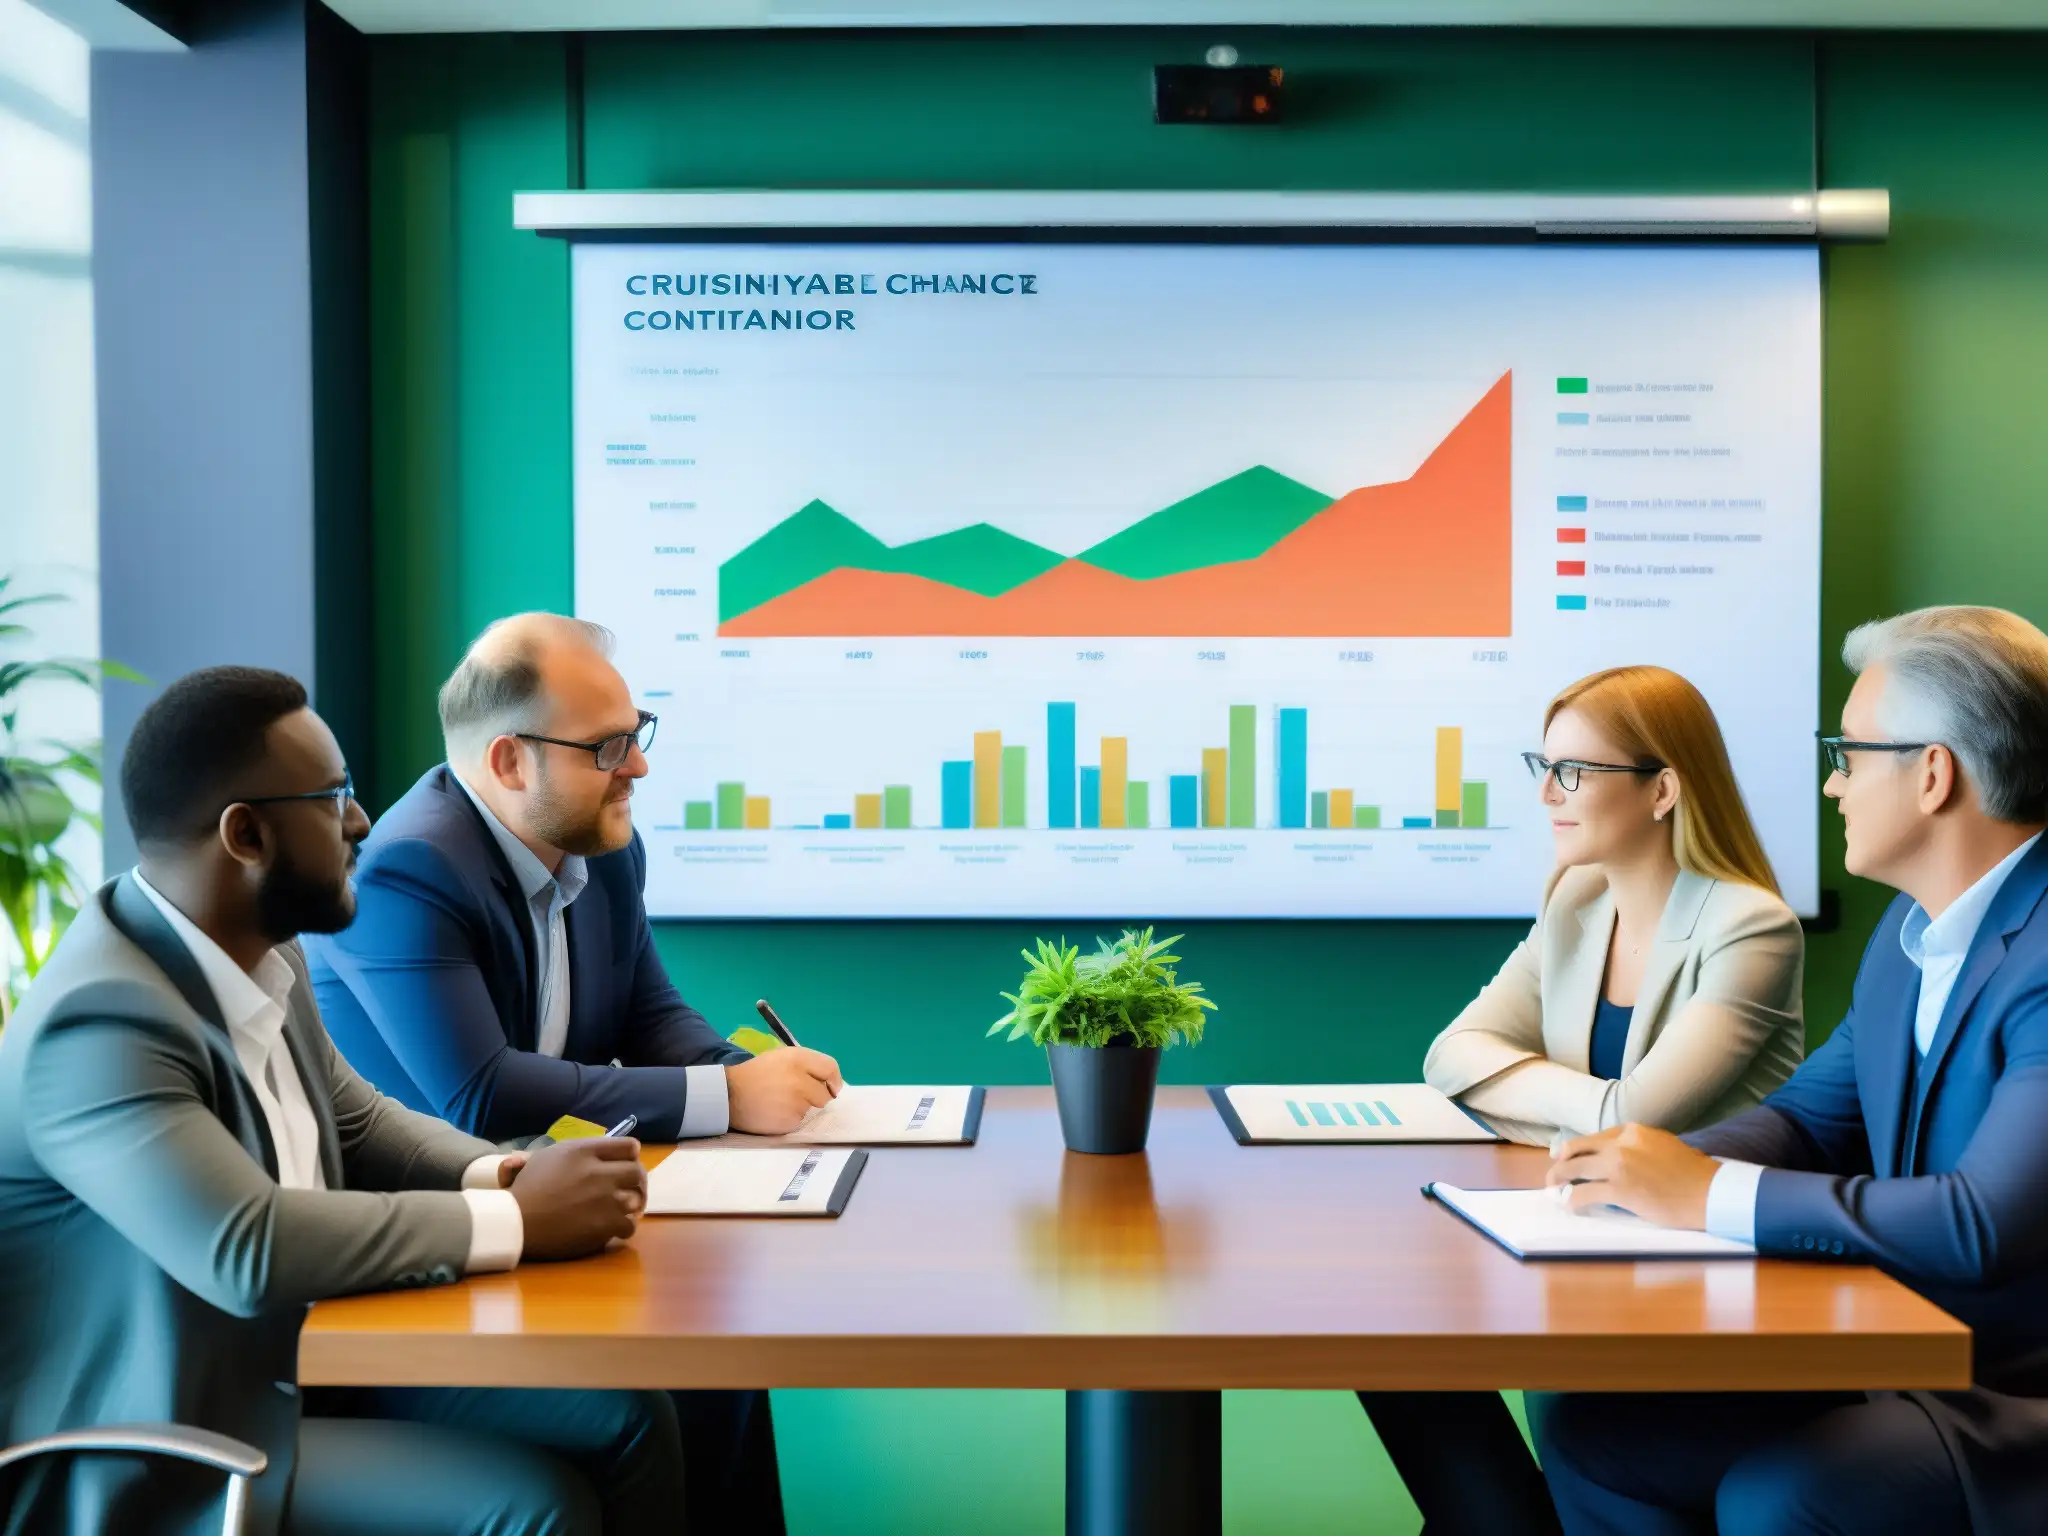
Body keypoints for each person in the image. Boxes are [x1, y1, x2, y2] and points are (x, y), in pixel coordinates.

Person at [0, 666, 684, 1536]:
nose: (361, 820)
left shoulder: (262, 953)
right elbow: (246, 1247)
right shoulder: (98, 1026)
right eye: (334, 797)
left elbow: (357, 1119)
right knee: (532, 1509)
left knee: (630, 1419)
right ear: (245, 835)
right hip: (166, 1444)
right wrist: (517, 1224)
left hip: (301, 1363)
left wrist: (507, 1173)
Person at [305, 612, 835, 1533]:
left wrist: (751, 1080)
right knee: (670, 1387)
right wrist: (725, 1094)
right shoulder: (406, 869)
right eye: (608, 747)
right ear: (510, 762)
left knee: (725, 1366)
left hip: (546, 1221)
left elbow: (649, 1012)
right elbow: (482, 1091)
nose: (636, 766)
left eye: (638, 734)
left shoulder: (605, 845)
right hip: (424, 1249)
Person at [1537, 605, 2048, 1534]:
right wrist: (1644, 1169)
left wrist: (1705, 1194)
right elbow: (1813, 1120)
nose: (1830, 784)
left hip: (2016, 1395)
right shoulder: (1909, 938)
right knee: (1596, 1431)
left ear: (1933, 773)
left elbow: (1982, 1223)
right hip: (1915, 1355)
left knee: (1784, 1494)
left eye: (1848, 755)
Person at [1361, 664, 1807, 1536]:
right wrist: (1598, 1107)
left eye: (1575, 772)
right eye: (1545, 765)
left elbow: (1641, 1122)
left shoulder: (1751, 928)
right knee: (1393, 1353)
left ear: (1662, 790)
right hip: (1590, 1239)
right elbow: (1451, 1055)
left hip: (1708, 1282)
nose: (1549, 795)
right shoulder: (1578, 902)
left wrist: (1571, 1105)